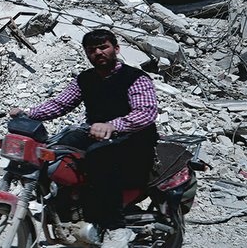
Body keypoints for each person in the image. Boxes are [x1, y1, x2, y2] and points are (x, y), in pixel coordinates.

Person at [10, 29, 158, 248]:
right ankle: (63, 207)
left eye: (103, 47)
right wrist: (27, 113)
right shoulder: (85, 79)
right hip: (96, 133)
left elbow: (146, 112)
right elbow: (60, 104)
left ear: (116, 49)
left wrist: (112, 125)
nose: (98, 53)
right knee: (52, 149)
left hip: (135, 137)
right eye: (92, 50)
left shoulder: (136, 78)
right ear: (87, 54)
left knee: (99, 156)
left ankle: (116, 228)